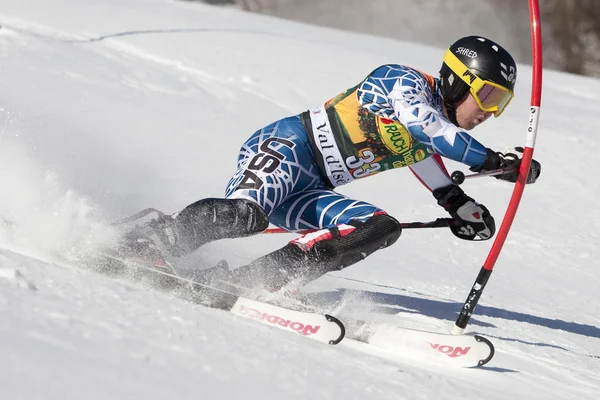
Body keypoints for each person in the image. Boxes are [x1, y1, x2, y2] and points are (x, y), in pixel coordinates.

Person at [119, 35, 541, 295]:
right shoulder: (402, 82)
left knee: (379, 228)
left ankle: (254, 281)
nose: (490, 111)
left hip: (313, 188)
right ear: (456, 80)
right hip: (288, 148)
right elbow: (426, 128)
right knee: (245, 215)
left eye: (500, 104)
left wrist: (459, 205)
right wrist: (493, 161)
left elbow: (426, 157)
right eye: (487, 96)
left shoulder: (434, 130)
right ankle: (150, 242)